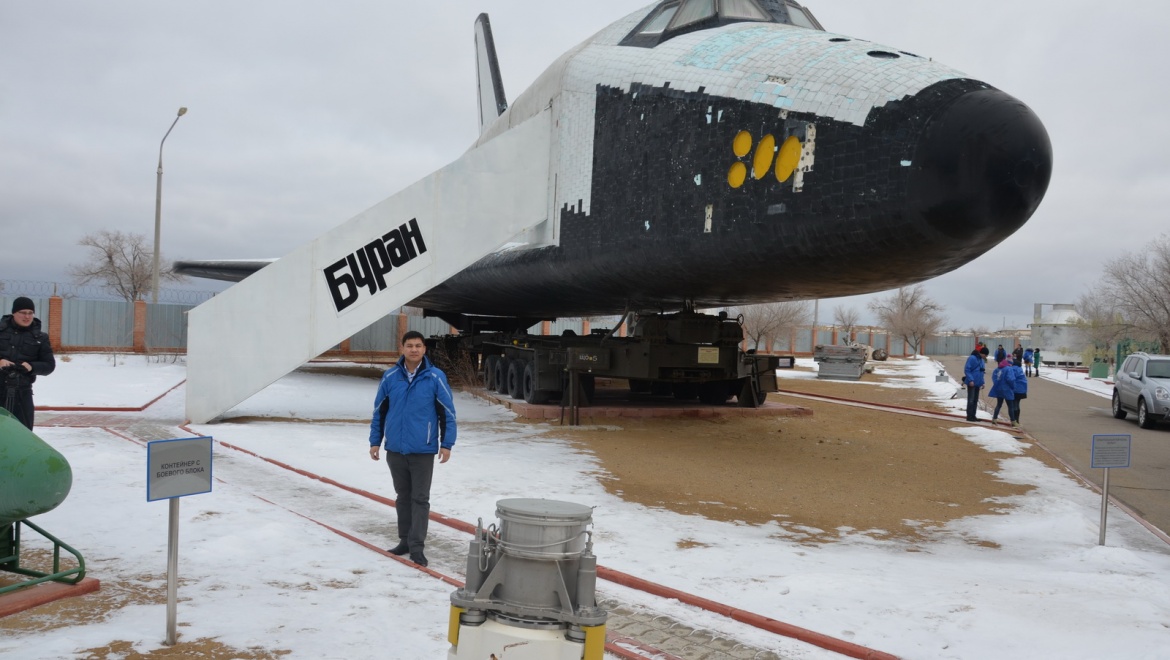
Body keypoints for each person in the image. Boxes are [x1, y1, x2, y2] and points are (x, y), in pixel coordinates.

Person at [368, 331, 457, 567]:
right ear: (403, 348)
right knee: (402, 497)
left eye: (418, 346)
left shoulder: (435, 377)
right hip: (395, 449)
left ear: (424, 349)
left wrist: (447, 444)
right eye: (410, 346)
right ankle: (404, 541)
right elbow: (379, 412)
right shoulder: (390, 377)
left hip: (423, 449)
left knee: (420, 499)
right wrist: (375, 441)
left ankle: (417, 547)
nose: (414, 350)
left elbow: (447, 413)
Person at [0, 297, 56, 430]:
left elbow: (49, 365)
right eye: (23, 312)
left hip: (22, 392)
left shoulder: (40, 337)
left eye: (30, 313)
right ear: (14, 313)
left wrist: (32, 367)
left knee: (22, 432)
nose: (27, 316)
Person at [963, 345, 990, 421]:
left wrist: (983, 382)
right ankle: (969, 416)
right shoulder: (972, 358)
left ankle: (973, 415)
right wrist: (971, 380)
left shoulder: (981, 360)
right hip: (972, 382)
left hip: (978, 383)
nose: (985, 357)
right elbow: (967, 369)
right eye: (985, 355)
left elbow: (982, 372)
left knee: (975, 400)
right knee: (971, 400)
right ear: (982, 353)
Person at [987, 358, 1015, 424]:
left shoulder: (996, 370)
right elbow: (1010, 379)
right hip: (1007, 389)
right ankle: (1013, 421)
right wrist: (1012, 387)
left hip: (999, 389)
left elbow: (994, 378)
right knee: (1010, 406)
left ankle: (994, 418)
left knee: (999, 405)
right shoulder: (1008, 369)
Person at [1008, 357, 1028, 428]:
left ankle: (1014, 421)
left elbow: (1011, 379)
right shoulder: (1020, 370)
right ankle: (1017, 420)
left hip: (1015, 390)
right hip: (1022, 390)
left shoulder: (1013, 369)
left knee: (1013, 405)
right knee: (1017, 404)